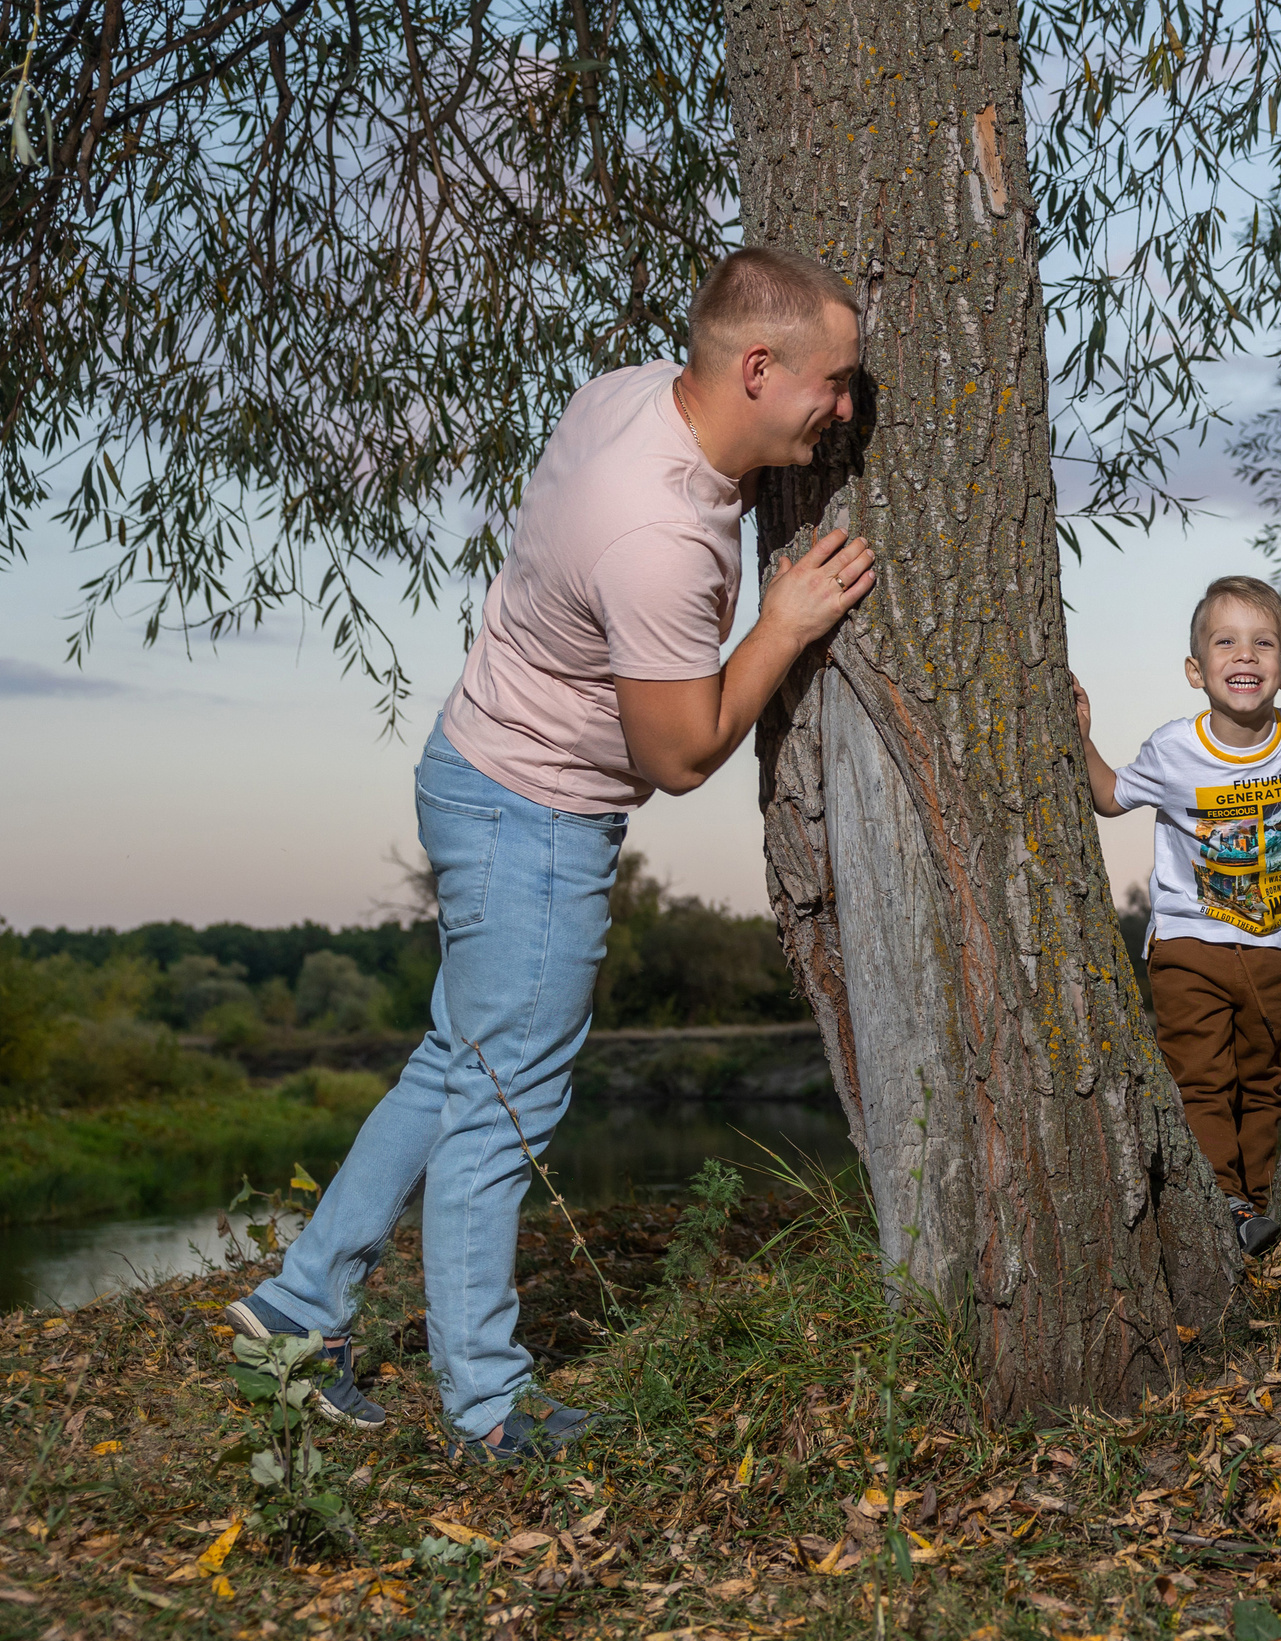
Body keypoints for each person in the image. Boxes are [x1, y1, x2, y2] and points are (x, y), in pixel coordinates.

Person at [225, 247, 880, 1462]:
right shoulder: (656, 538)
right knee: (503, 1108)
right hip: (530, 818)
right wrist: (781, 623)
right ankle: (487, 1404)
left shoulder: (626, 389)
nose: (843, 409)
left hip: (472, 766)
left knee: (453, 1068)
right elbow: (680, 754)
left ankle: (295, 1310)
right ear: (754, 367)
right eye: (832, 384)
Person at [1070, 577, 1281, 1256]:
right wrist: (1082, 738)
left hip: (1276, 946)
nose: (1246, 654)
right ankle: (1224, 1198)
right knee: (1201, 1078)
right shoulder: (1177, 747)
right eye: (1226, 641)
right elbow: (1111, 796)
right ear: (1196, 669)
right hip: (1190, 946)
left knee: (1262, 1080)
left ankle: (1259, 1203)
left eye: (1263, 642)